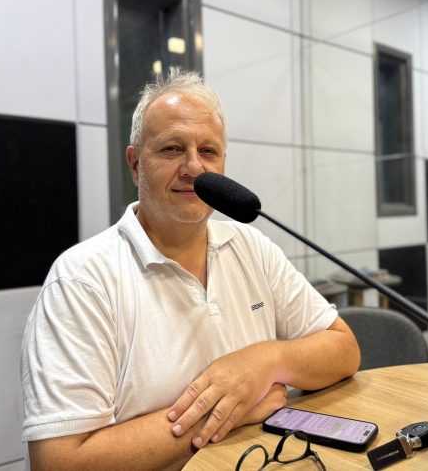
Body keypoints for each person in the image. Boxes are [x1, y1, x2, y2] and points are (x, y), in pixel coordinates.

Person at [20, 68, 360, 470]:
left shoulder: (251, 247)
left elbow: (344, 349)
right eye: (171, 149)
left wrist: (265, 361)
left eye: (209, 151)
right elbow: (58, 462)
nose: (194, 167)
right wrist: (230, 410)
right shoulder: (82, 280)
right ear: (135, 164)